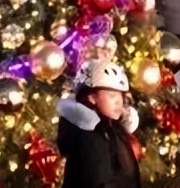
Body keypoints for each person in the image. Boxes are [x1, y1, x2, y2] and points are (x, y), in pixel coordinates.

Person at [57, 60, 141, 188]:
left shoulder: (114, 131)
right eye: (112, 96)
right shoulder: (89, 136)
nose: (118, 102)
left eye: (121, 96)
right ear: (91, 97)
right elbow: (99, 181)